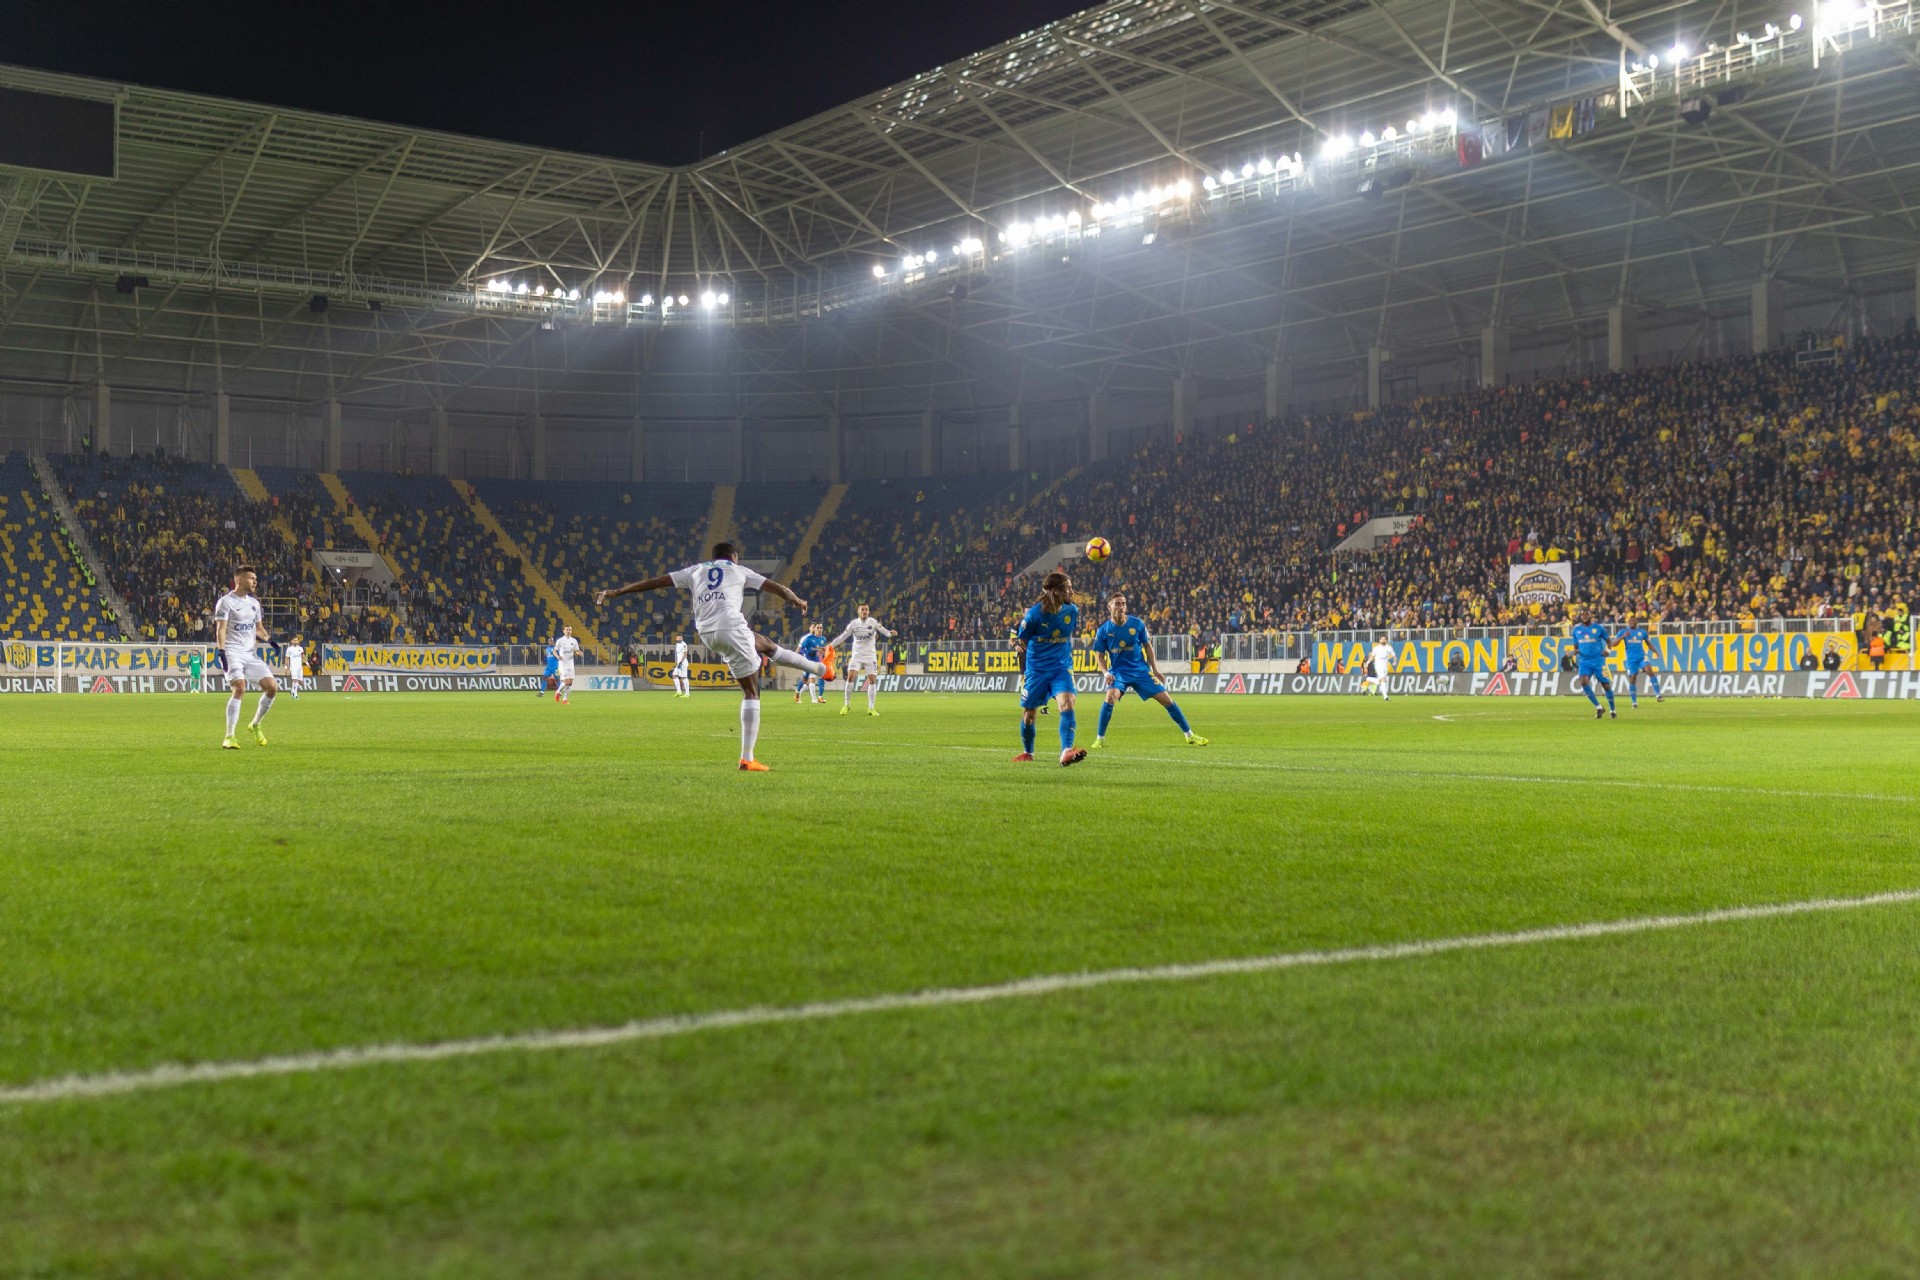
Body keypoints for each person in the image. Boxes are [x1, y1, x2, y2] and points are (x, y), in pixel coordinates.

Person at [595, 542, 825, 771]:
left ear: (714, 558)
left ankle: (822, 670)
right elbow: (777, 588)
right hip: (731, 627)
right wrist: (797, 600)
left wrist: (618, 592)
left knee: (766, 645)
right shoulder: (740, 570)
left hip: (706, 633)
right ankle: (747, 758)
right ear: (734, 557)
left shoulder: (695, 570)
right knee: (752, 692)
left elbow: (655, 582)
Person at [1088, 593, 1207, 749]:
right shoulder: (1103, 630)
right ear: (1109, 607)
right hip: (1118, 672)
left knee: (1167, 699)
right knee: (1110, 697)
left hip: (1141, 671)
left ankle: (1190, 735)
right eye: (1117, 604)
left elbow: (1148, 646)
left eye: (1123, 603)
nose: (1121, 607)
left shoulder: (1137, 624)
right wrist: (1106, 673)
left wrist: (1156, 670)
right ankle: (1100, 739)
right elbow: (1100, 655)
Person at [1014, 570, 1088, 766]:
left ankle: (1066, 751)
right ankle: (1028, 752)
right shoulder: (1034, 615)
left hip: (1061, 668)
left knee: (1067, 703)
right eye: (1068, 588)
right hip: (1037, 670)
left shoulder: (1072, 611)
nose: (1072, 592)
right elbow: (1021, 641)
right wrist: (1028, 666)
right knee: (1029, 715)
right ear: (1055, 591)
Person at [213, 565, 280, 749]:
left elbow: (258, 628)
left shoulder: (254, 603)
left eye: (255, 578)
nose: (255, 581)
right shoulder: (225, 602)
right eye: (251, 578)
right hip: (232, 652)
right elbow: (221, 628)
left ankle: (256, 724)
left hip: (250, 654)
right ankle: (229, 736)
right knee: (240, 688)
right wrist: (221, 651)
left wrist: (269, 640)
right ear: (239, 579)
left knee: (272, 687)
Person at [829, 604, 896, 717]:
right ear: (858, 611)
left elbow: (884, 631)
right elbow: (842, 637)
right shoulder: (854, 624)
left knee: (873, 680)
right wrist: (830, 646)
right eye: (862, 609)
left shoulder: (873, 622)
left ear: (868, 612)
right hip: (857, 655)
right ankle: (847, 704)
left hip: (870, 655)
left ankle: (871, 708)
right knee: (850, 677)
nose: (865, 611)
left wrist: (891, 633)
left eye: (866, 609)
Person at [1569, 609, 1617, 719]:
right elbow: (1576, 645)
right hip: (1584, 661)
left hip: (1599, 661)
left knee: (1606, 685)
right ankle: (1599, 707)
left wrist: (1608, 651)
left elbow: (1609, 641)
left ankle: (1613, 709)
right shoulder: (1576, 630)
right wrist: (1575, 652)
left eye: (1587, 614)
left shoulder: (1599, 628)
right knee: (1583, 681)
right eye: (1582, 615)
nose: (1584, 616)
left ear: (1591, 616)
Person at [1616, 616, 1663, 707]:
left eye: (1634, 620)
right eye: (1630, 620)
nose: (1632, 622)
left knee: (1650, 671)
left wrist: (1656, 651)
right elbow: (1614, 644)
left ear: (1637, 622)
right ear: (1628, 622)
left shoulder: (1642, 632)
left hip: (1642, 657)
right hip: (1631, 660)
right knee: (1632, 678)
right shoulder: (1623, 632)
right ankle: (1634, 702)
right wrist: (1623, 637)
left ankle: (1658, 694)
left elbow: (1648, 643)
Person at [794, 623, 830, 705]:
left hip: (816, 661)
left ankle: (819, 697)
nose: (819, 629)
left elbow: (822, 649)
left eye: (821, 628)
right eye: (818, 628)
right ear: (815, 629)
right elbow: (802, 649)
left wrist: (825, 653)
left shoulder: (823, 639)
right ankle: (797, 692)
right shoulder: (808, 638)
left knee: (822, 676)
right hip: (807, 660)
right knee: (805, 680)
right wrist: (809, 652)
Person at [552, 625, 582, 703]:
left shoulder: (574, 641)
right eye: (567, 629)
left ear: (571, 631)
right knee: (567, 682)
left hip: (571, 664)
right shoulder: (560, 641)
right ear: (564, 631)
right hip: (563, 664)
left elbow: (577, 651)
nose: (568, 631)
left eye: (570, 629)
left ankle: (565, 699)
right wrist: (558, 657)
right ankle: (558, 692)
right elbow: (554, 651)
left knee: (570, 683)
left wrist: (580, 653)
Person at [1364, 634, 1395, 701]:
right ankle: (1385, 697)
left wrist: (1395, 662)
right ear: (1379, 640)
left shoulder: (1389, 648)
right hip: (1378, 665)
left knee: (1381, 681)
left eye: (1384, 639)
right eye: (1382, 639)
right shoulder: (1376, 648)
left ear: (1386, 640)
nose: (1383, 640)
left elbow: (1394, 656)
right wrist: (1367, 662)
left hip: (1385, 666)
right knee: (1383, 679)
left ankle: (1369, 679)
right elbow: (1372, 656)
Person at [284, 634, 305, 700]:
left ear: (298, 641)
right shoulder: (289, 649)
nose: (295, 641)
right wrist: (286, 668)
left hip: (300, 667)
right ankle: (295, 694)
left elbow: (303, 656)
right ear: (292, 641)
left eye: (296, 640)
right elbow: (287, 659)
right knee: (295, 680)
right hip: (293, 667)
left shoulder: (300, 648)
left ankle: (292, 691)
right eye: (294, 640)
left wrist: (307, 663)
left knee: (301, 682)